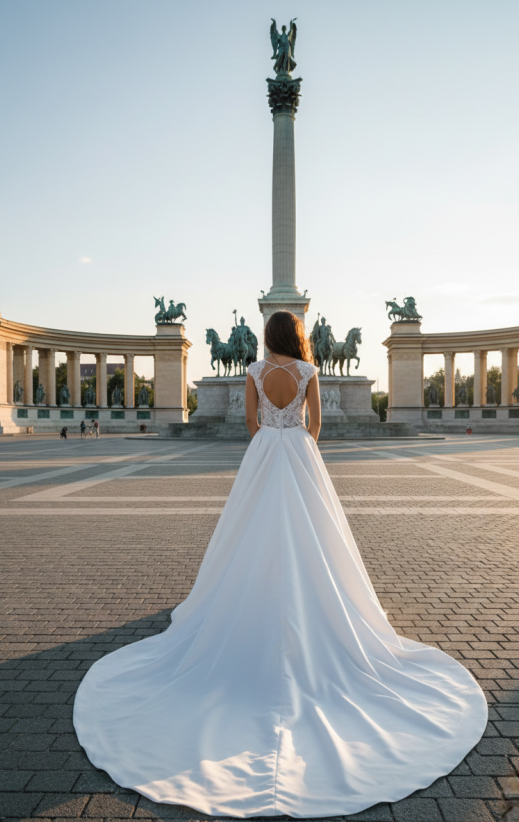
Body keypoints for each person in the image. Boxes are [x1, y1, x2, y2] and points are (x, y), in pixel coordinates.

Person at [73, 310, 487, 818]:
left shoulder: (252, 373)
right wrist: (299, 441)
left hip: (265, 455)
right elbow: (316, 426)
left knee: (247, 534)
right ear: (299, 335)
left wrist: (271, 437)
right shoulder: (310, 373)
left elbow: (250, 424)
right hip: (301, 457)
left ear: (267, 336)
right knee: (317, 538)